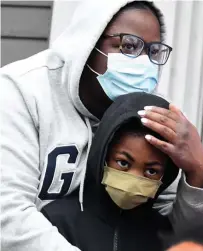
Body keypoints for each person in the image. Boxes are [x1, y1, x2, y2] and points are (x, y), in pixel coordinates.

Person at [0, 1, 203, 251]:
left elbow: (182, 236)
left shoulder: (149, 113)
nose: (143, 62)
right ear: (88, 42)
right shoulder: (21, 92)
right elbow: (8, 215)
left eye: (153, 51)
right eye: (128, 46)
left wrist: (198, 171)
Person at [41, 93, 180, 251]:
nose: (134, 178)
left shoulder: (166, 236)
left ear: (166, 175)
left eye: (151, 171)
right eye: (123, 163)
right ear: (103, 154)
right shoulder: (56, 221)